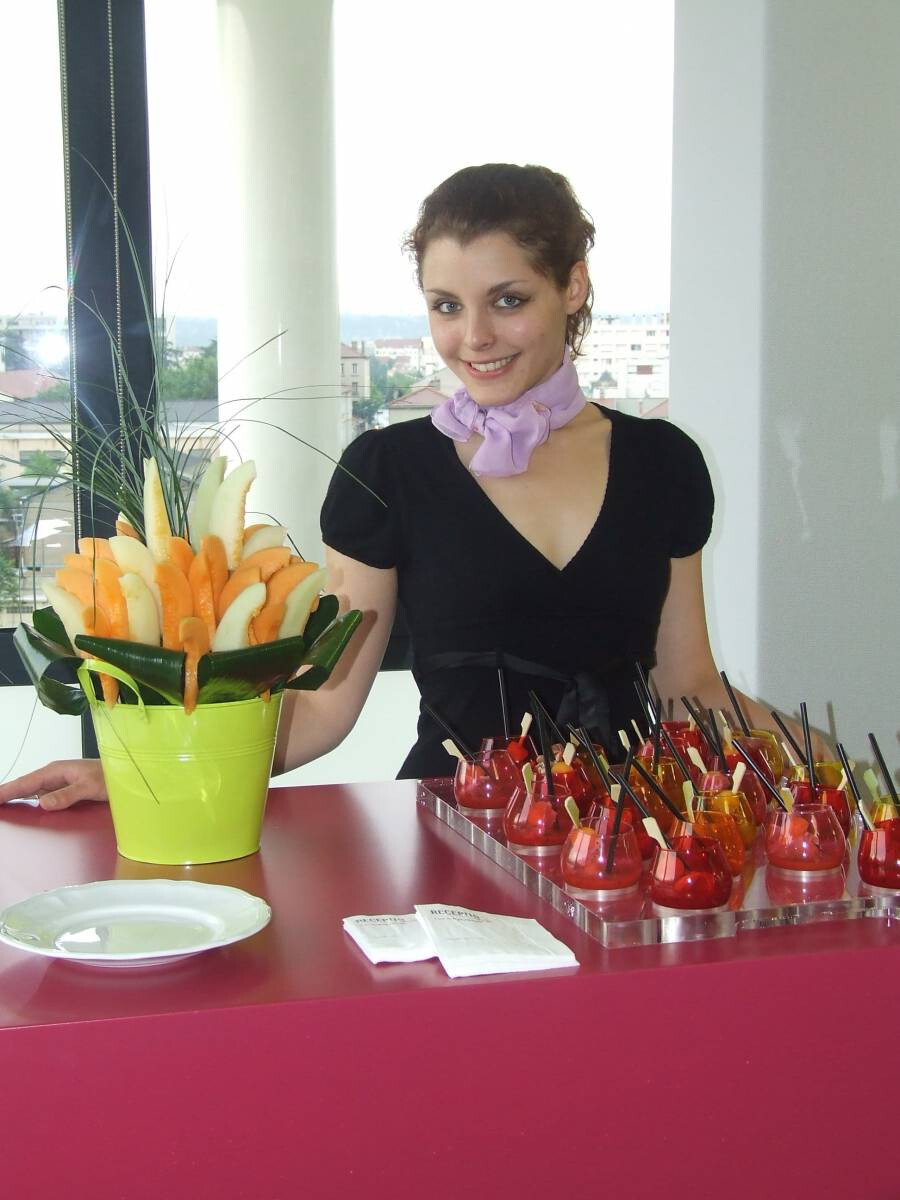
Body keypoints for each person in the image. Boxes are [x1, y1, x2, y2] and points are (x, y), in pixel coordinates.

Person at [0, 163, 819, 811]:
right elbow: (320, 707)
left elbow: (689, 691)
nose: (474, 337)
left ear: (572, 287)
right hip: (453, 839)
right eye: (445, 306)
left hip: (631, 842)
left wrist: (838, 763)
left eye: (508, 300)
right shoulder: (387, 471)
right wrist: (148, 775)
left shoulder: (662, 463)